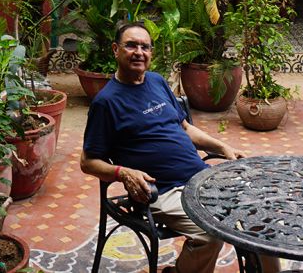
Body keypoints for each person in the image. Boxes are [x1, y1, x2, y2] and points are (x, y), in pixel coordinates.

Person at [81, 22, 280, 273]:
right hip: (161, 191)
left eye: (145, 46)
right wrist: (123, 173)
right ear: (115, 50)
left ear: (151, 52)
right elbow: (87, 162)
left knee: (260, 214)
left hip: (201, 178)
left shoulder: (156, 81)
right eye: (131, 45)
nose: (139, 52)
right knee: (210, 234)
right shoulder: (106, 102)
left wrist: (224, 147)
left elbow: (185, 127)